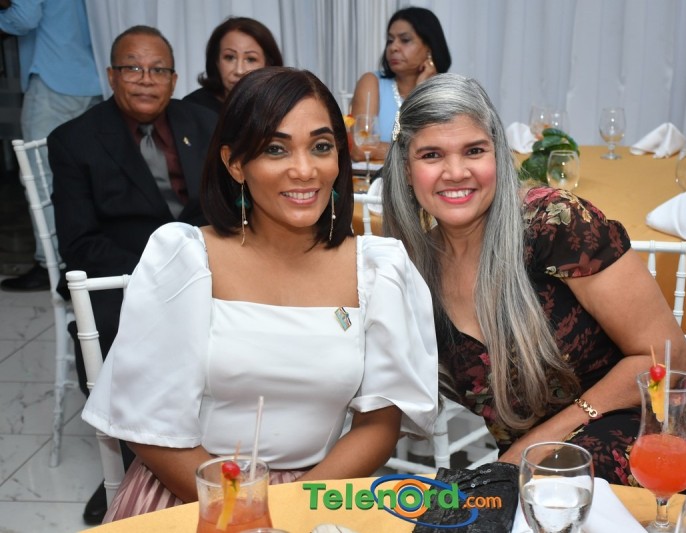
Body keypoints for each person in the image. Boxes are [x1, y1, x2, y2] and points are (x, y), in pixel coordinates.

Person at [81, 67, 438, 522]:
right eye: (275, 149)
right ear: (234, 163)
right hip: (193, 493)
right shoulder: (186, 260)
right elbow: (149, 427)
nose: (304, 170)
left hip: (318, 494)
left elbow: (378, 424)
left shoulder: (376, 270)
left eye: (321, 146)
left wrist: (290, 512)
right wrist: (245, 512)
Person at [381, 73, 686, 494]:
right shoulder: (414, 272)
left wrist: (538, 444)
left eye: (474, 150)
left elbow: (667, 359)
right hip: (541, 471)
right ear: (406, 169)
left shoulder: (553, 223)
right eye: (432, 155)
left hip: (666, 433)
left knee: (564, 486)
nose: (456, 172)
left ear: (498, 155)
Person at [49, 25, 217, 524]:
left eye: (158, 69)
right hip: (118, 271)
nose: (146, 79)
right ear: (111, 75)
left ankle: (219, 450)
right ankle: (132, 469)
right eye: (133, 68)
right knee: (107, 329)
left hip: (207, 263)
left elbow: (227, 207)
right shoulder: (74, 140)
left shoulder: (205, 124)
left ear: (174, 78)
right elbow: (79, 243)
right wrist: (157, 277)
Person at [0, 0, 102, 292]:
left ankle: (52, 265)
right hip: (90, 77)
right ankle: (83, 261)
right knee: (87, 179)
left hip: (53, 79)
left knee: (41, 178)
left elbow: (25, 17)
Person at [349, 6, 450, 162]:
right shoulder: (371, 82)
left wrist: (421, 90)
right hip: (379, 177)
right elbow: (359, 149)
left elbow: (445, 151)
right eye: (390, 40)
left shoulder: (448, 91)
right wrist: (417, 154)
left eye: (405, 40)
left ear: (429, 48)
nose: (393, 47)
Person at [183, 16, 283, 113]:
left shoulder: (282, 107)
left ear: (268, 65)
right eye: (229, 57)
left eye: (250, 59)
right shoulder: (193, 108)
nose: (239, 71)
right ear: (216, 61)